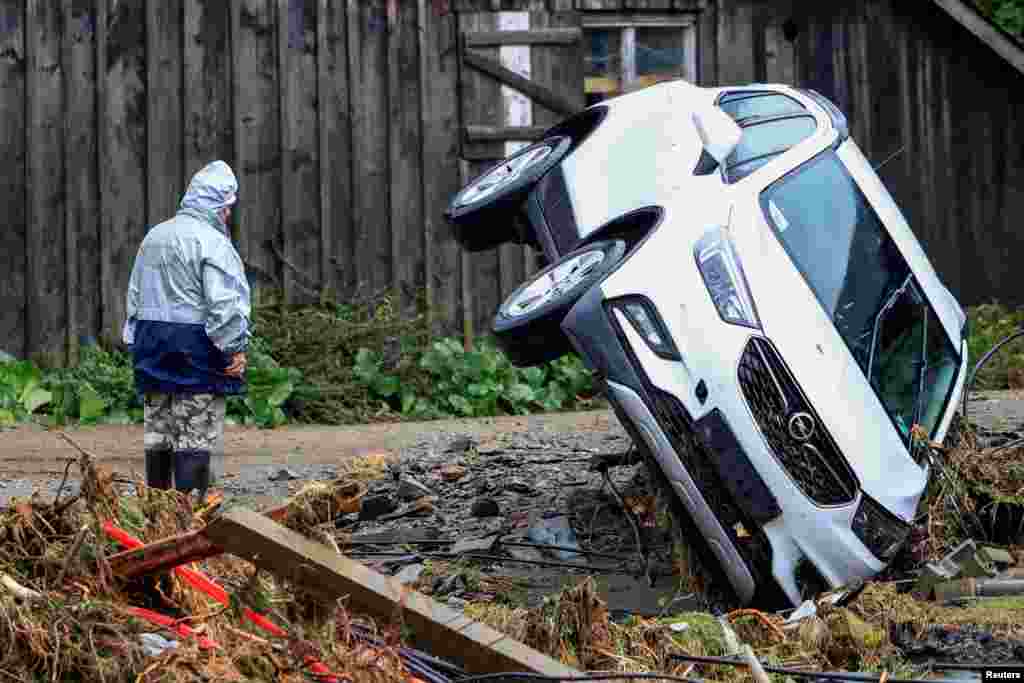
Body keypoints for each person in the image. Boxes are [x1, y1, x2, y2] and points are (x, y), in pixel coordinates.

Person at [123, 161, 251, 501]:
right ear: (219, 207)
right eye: (227, 210)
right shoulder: (212, 243)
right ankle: (187, 517)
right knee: (196, 428)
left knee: (158, 430)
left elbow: (134, 296)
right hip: (195, 347)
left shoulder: (155, 236)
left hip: (151, 344)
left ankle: (156, 510)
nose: (227, 217)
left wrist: (134, 341)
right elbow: (225, 305)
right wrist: (234, 348)